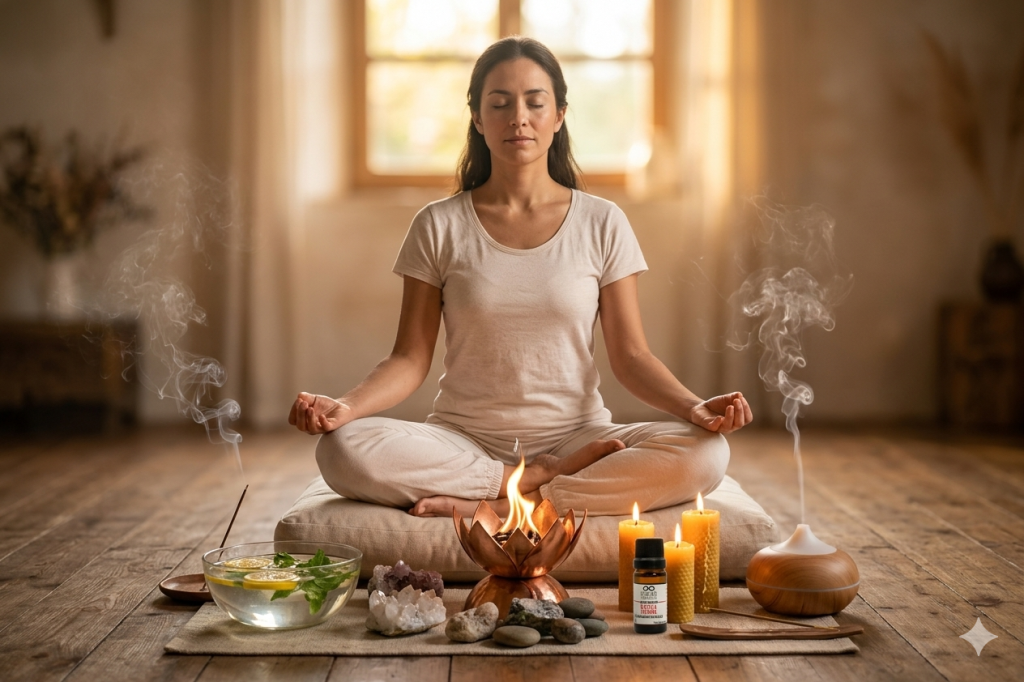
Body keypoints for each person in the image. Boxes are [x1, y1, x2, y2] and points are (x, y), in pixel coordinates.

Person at [288, 36, 752, 519]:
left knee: (707, 453)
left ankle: (520, 500)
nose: (519, 118)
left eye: (535, 102)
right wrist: (345, 407)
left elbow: (632, 356)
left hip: (577, 437)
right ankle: (515, 484)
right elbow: (408, 358)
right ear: (477, 118)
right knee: (341, 449)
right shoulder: (438, 224)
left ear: (559, 115)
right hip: (462, 440)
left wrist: (695, 408)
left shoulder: (602, 221)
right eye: (500, 103)